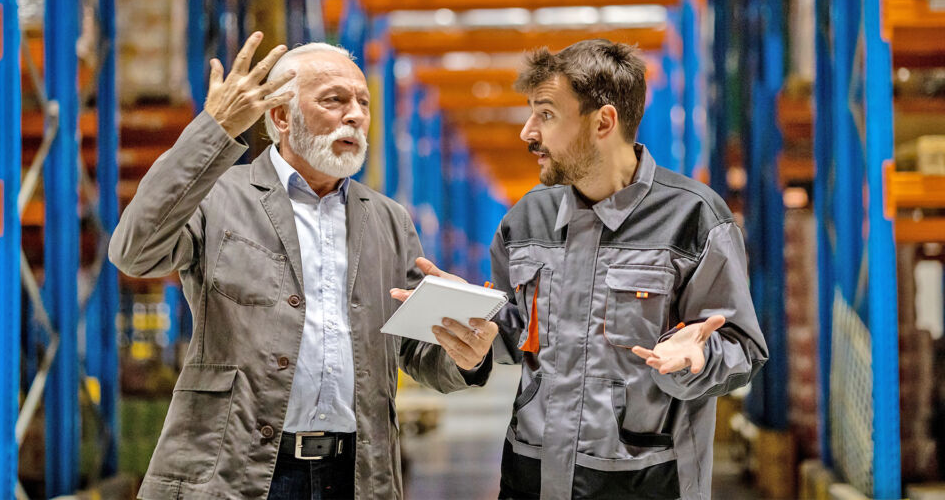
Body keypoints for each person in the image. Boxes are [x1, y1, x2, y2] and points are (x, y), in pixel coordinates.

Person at [109, 32, 494, 500]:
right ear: (280, 117)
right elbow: (135, 250)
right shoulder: (219, 197)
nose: (355, 114)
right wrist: (213, 130)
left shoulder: (388, 219)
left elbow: (415, 353)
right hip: (236, 471)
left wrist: (464, 354)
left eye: (363, 103)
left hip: (354, 474)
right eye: (334, 100)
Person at [393, 39, 768, 500]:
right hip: (530, 479)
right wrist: (470, 316)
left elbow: (743, 350)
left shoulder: (693, 220)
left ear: (603, 122)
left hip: (646, 484)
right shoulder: (526, 220)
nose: (528, 132)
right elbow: (517, 333)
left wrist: (698, 358)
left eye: (546, 114)